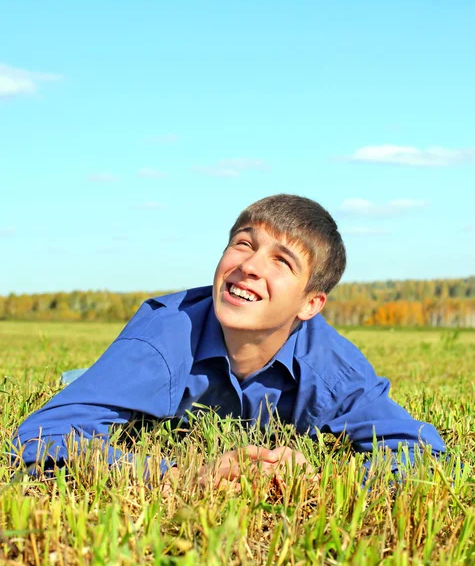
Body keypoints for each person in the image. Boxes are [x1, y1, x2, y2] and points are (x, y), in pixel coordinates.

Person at [11, 194, 445, 489]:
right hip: (139, 377)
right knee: (92, 386)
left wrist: (317, 479)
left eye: (281, 261)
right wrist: (182, 474)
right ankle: (87, 378)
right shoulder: (164, 339)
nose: (249, 266)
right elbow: (40, 437)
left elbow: (420, 453)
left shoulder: (331, 366)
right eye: (243, 244)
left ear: (310, 304)